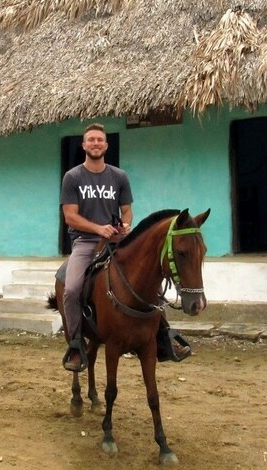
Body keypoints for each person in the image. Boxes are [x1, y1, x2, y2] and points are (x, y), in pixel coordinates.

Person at [59, 123, 191, 372]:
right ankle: (76, 345)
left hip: (118, 241)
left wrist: (125, 225)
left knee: (150, 280)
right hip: (86, 243)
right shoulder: (73, 177)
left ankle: (165, 337)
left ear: (106, 145)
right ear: (84, 145)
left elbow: (127, 210)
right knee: (72, 289)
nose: (96, 143)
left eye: (100, 140)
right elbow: (70, 216)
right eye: (91, 140)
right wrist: (99, 229)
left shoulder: (119, 176)